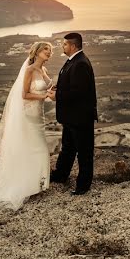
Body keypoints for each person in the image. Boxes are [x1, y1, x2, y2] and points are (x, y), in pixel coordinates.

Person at [0, 41, 53, 210]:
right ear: (36, 52)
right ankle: (26, 185)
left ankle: (35, 184)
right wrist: (44, 96)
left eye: (50, 50)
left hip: (39, 116)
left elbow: (48, 88)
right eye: (46, 49)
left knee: (36, 148)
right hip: (28, 116)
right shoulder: (29, 70)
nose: (49, 52)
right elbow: (25, 94)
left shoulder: (43, 70)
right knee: (38, 148)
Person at [47, 32, 98, 195]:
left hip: (81, 118)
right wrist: (58, 88)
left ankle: (83, 186)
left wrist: (57, 96)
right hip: (72, 117)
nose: (62, 47)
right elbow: (72, 85)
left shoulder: (80, 63)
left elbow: (79, 92)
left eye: (64, 44)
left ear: (73, 46)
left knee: (84, 152)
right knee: (68, 148)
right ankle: (60, 175)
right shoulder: (74, 61)